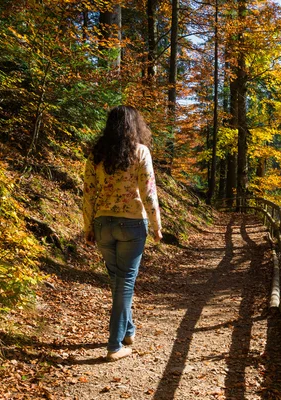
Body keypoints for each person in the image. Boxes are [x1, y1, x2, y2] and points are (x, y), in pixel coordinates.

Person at [82, 105, 162, 362]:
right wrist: (157, 224)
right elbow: (149, 191)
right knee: (125, 283)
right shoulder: (140, 152)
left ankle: (128, 331)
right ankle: (115, 345)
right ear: (134, 126)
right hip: (131, 225)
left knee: (118, 282)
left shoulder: (97, 154)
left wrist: (88, 226)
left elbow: (87, 192)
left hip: (103, 224)